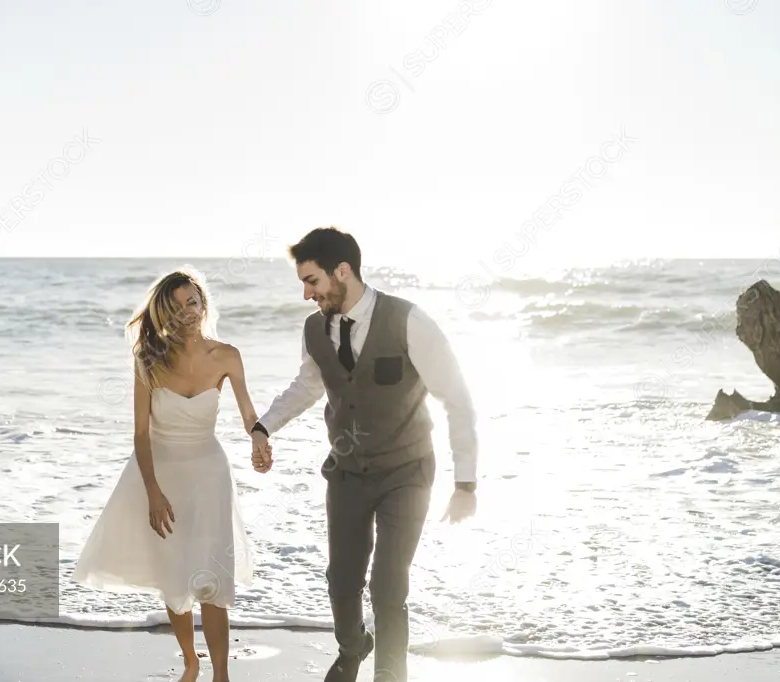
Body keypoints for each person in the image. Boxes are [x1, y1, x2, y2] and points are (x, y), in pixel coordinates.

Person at [249, 227, 479, 682]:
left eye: (311, 281)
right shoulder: (316, 327)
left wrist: (465, 482)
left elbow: (456, 397)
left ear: (343, 271)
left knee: (388, 586)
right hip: (347, 472)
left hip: (406, 471)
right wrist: (264, 426)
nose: (306, 294)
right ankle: (353, 647)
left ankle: (390, 674)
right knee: (342, 583)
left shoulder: (409, 320)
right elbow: (309, 385)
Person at [73, 268, 264, 682]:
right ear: (163, 313)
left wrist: (258, 436)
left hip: (210, 476)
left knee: (214, 577)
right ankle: (190, 662)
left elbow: (248, 412)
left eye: (192, 303)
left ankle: (222, 674)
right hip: (162, 473)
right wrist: (153, 491)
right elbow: (141, 434)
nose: (187, 313)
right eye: (175, 307)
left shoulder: (227, 355)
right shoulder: (148, 360)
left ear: (203, 304)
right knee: (175, 575)